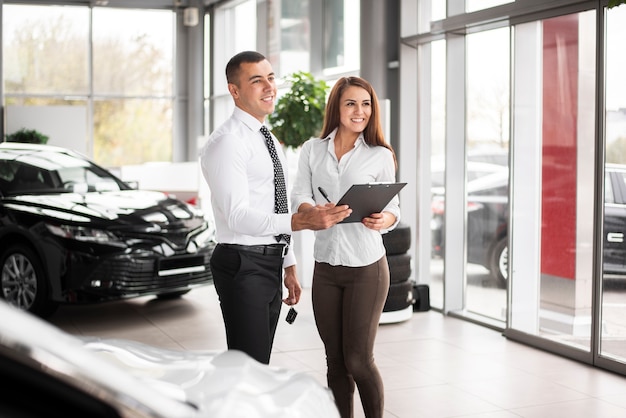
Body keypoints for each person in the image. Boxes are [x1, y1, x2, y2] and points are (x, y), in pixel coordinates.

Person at [199, 51, 351, 365]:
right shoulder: (228, 142)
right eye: (257, 80)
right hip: (243, 263)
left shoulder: (268, 139)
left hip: (268, 260)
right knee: (248, 366)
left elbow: (273, 201)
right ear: (234, 90)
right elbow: (238, 217)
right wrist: (302, 221)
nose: (269, 87)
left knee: (260, 364)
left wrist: (289, 264)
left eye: (271, 77)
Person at [291, 76, 400, 418]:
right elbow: (299, 195)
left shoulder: (380, 155)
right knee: (335, 362)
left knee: (358, 360)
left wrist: (386, 219)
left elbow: (395, 208)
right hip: (325, 266)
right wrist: (312, 211)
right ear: (337, 107)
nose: (360, 111)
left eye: (366, 104)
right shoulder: (312, 149)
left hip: (366, 266)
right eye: (351, 103)